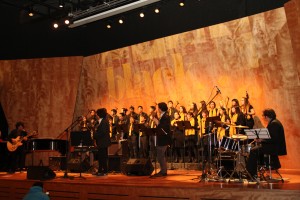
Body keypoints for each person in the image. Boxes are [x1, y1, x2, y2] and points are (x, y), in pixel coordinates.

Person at [246, 108, 287, 179]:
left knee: (253, 151)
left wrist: (261, 140)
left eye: (264, 117)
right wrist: (261, 139)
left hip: (274, 147)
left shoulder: (274, 124)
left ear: (266, 116)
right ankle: (254, 172)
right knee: (256, 149)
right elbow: (271, 136)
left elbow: (273, 139)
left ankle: (251, 174)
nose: (264, 118)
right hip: (274, 146)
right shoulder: (274, 122)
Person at [150, 102, 171, 177]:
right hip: (161, 138)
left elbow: (164, 128)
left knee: (161, 155)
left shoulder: (166, 116)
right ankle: (163, 170)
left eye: (158, 108)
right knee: (160, 155)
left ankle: (163, 171)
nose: (157, 109)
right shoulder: (163, 116)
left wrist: (156, 121)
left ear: (161, 108)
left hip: (164, 138)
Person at [93, 108, 111, 176]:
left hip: (103, 142)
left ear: (99, 114)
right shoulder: (102, 121)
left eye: (97, 114)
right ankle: (101, 170)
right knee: (101, 157)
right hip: (102, 142)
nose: (96, 115)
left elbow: (102, 132)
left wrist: (95, 135)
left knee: (102, 157)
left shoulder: (104, 121)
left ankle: (103, 171)